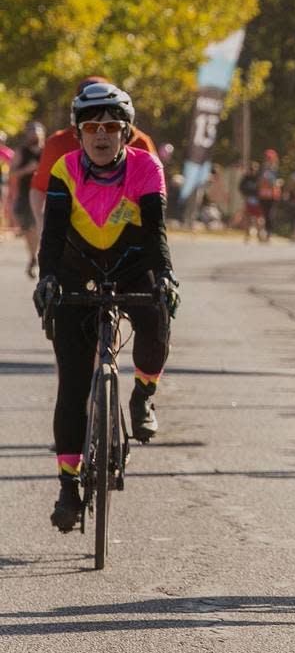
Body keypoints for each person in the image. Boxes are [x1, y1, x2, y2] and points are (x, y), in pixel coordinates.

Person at [32, 83, 178, 533]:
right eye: (91, 127)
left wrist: (167, 277)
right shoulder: (64, 169)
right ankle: (68, 487)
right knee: (73, 385)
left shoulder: (145, 167)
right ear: (78, 134)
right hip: (77, 270)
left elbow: (155, 232)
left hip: (134, 263)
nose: (101, 135)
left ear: (126, 133)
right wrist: (48, 279)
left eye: (111, 127)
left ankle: (144, 394)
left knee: (156, 319)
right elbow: (52, 238)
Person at [30, 77, 159, 232]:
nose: (101, 133)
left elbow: (155, 189)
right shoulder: (57, 143)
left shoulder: (140, 142)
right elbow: (39, 188)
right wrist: (41, 223)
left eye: (110, 125)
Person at [10, 121, 45, 277]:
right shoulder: (21, 152)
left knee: (40, 227)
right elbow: (12, 173)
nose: (34, 134)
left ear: (42, 133)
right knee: (29, 229)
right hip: (26, 195)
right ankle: (33, 257)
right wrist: (27, 169)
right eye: (31, 131)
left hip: (45, 194)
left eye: (36, 131)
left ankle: (39, 257)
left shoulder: (47, 151)